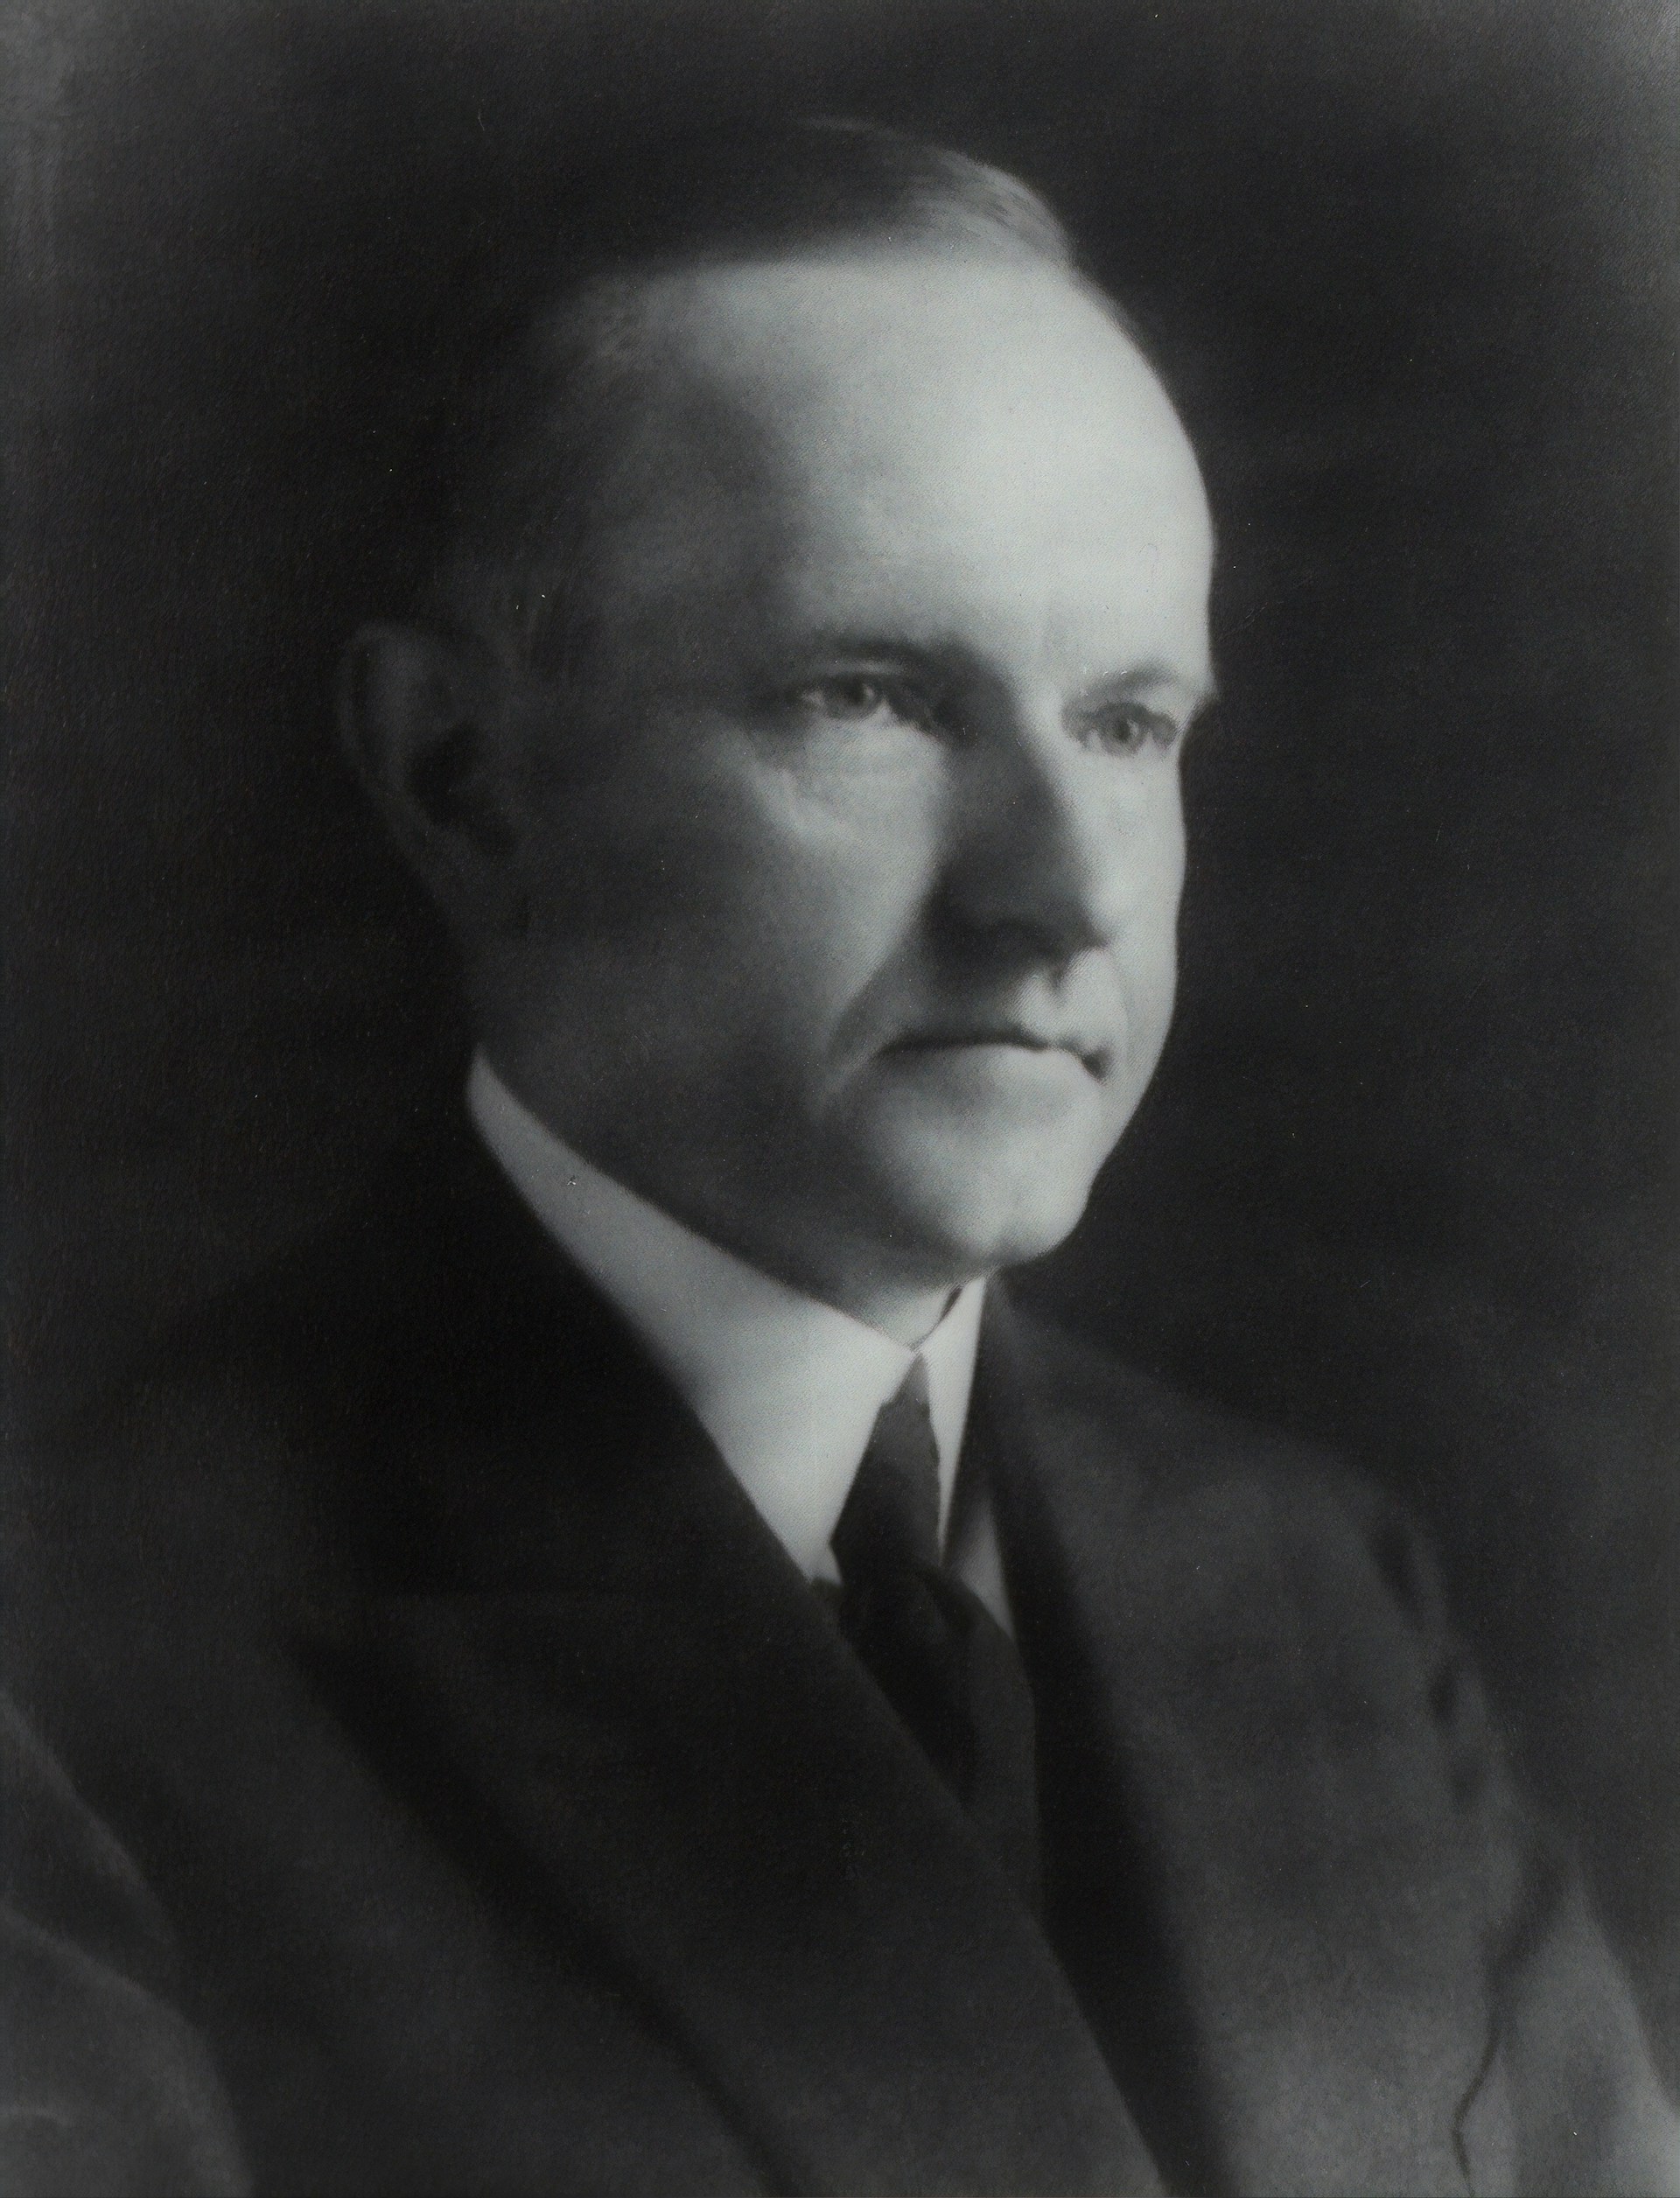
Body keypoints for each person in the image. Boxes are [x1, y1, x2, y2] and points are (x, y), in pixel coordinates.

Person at [4, 118, 1675, 2197]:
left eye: (1134, 724)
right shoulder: (81, 1675)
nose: (1066, 892)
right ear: (461, 775)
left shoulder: (1314, 1584)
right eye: (871, 695)